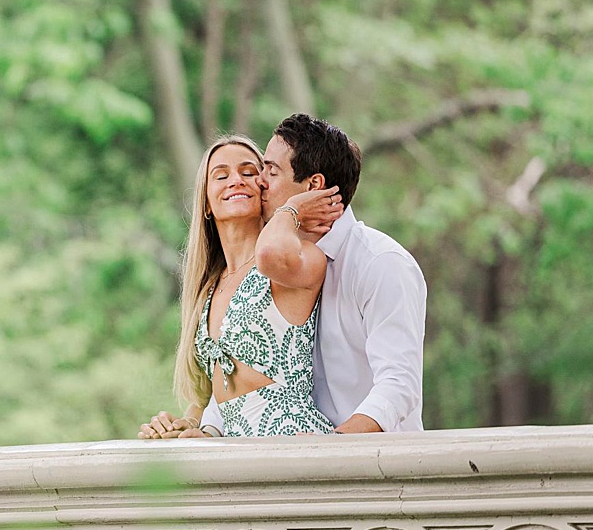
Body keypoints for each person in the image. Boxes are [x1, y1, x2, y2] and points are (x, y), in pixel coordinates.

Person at [146, 114, 428, 438]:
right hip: (299, 451)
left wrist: (331, 453)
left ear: (312, 187)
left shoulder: (380, 263)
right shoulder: (283, 262)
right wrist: (206, 428)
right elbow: (251, 372)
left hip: (371, 467)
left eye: (269, 170)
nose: (258, 182)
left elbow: (398, 385)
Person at [142, 136, 341, 437]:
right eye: (221, 176)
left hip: (293, 449)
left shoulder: (294, 261)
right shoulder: (210, 287)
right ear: (206, 204)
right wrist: (189, 423)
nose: (235, 180)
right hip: (238, 461)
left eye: (249, 173)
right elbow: (222, 394)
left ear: (263, 188)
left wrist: (289, 209)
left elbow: (272, 254)